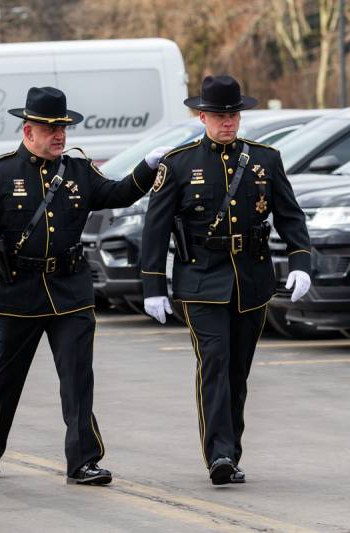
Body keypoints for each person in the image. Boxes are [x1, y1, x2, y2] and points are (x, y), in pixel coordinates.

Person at [0, 86, 168, 485]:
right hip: (17, 290)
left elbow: (117, 193)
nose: (59, 135)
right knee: (6, 377)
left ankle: (83, 461)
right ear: (28, 131)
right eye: (50, 128)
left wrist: (147, 166)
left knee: (78, 378)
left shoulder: (77, 170)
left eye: (63, 127)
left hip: (70, 289)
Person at [140, 75, 312, 485]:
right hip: (200, 279)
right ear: (202, 116)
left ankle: (231, 452)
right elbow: (155, 228)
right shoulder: (178, 163)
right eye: (218, 115)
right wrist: (151, 287)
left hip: (251, 279)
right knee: (214, 363)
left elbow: (290, 215)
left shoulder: (265, 159)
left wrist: (301, 261)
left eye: (233, 114)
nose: (227, 122)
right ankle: (218, 454)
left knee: (238, 371)